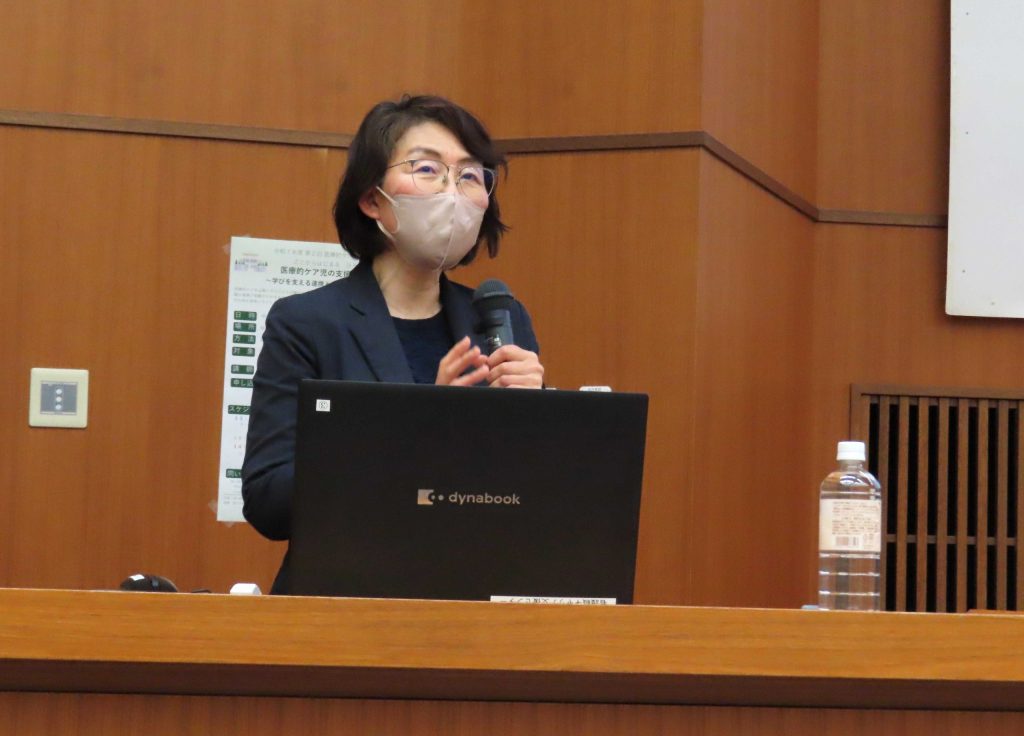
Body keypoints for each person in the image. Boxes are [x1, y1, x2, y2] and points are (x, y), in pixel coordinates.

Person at [241, 95, 545, 593]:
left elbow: (536, 501)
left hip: (473, 602)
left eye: (470, 175)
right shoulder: (308, 323)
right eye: (428, 169)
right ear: (372, 199)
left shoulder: (498, 319)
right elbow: (269, 501)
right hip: (344, 605)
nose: (453, 191)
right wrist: (420, 427)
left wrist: (544, 419)